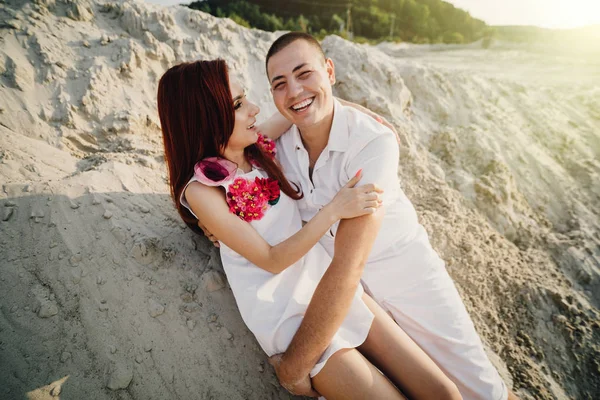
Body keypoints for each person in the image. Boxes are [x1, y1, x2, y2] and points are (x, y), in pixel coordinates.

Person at [157, 59, 464, 399]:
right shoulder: (202, 191)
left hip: (327, 288)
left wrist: (360, 113)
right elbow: (271, 260)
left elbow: (305, 110)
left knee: (444, 393)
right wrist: (333, 210)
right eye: (239, 104)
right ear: (206, 117)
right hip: (290, 317)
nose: (254, 109)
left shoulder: (255, 147)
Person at [261, 32, 518, 400]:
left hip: (407, 279)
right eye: (280, 84)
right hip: (344, 299)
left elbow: (350, 264)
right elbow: (225, 145)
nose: (295, 90)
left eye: (305, 74)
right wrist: (308, 105)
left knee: (480, 390)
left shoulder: (371, 142)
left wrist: (293, 368)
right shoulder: (279, 149)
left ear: (329, 71)